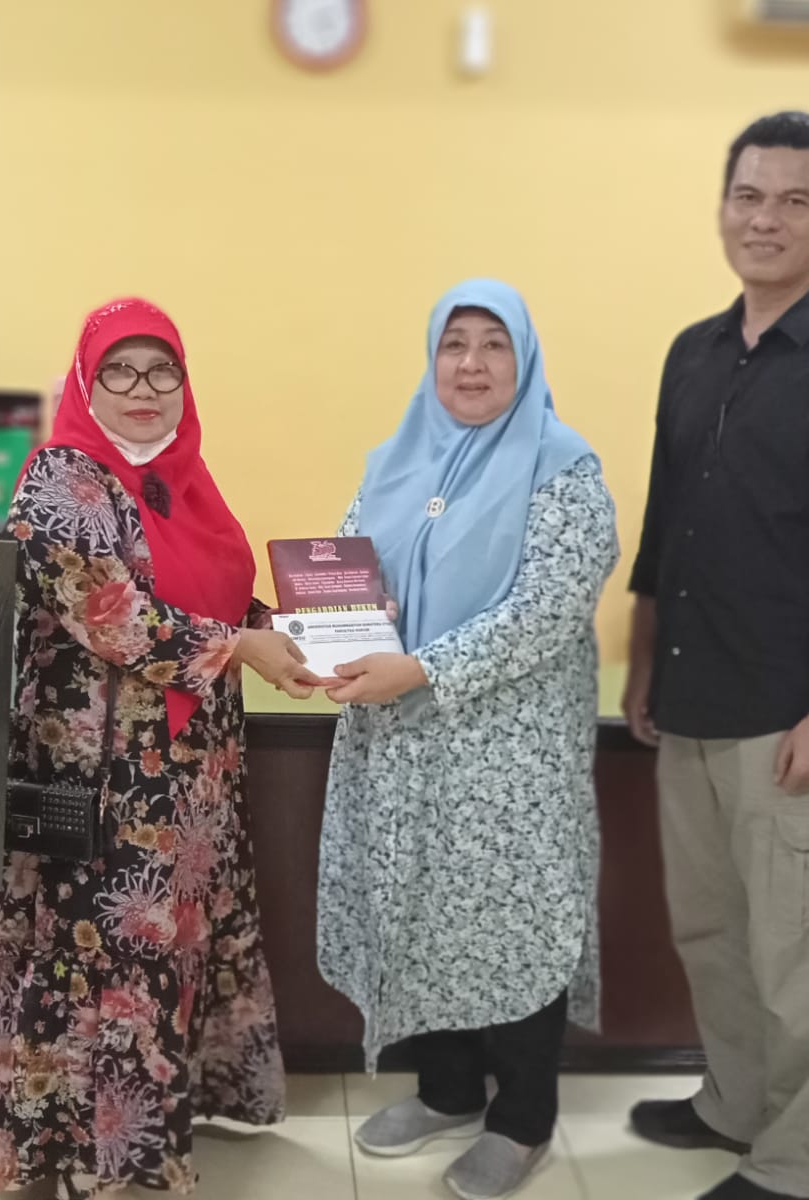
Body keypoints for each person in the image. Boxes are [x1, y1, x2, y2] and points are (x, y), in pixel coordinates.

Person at [0, 298, 318, 1198]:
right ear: (86, 381)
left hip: (190, 779)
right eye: (120, 368)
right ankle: (100, 1162)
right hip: (103, 780)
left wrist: (295, 627)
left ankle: (139, 1140)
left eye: (163, 370)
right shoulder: (60, 480)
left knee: (165, 957)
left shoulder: (185, 479)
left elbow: (215, 598)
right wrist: (242, 646)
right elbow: (114, 616)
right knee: (102, 963)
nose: (143, 388)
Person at [622, 112, 809, 1200]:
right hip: (690, 700)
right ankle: (734, 1103)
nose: (766, 219)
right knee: (711, 933)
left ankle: (797, 1167)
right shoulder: (694, 352)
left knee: (797, 958)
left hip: (790, 716)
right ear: (723, 207)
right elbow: (665, 529)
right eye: (749, 196)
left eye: (795, 201)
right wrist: (644, 666)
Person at [316, 279, 618, 1200]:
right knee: (414, 910)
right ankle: (447, 1089)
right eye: (455, 344)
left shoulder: (563, 469)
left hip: (508, 758)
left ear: (524, 358)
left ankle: (522, 1119)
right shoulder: (394, 460)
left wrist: (420, 666)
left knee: (512, 922)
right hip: (401, 747)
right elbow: (347, 565)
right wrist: (343, 626)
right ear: (432, 358)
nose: (473, 364)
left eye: (495, 344)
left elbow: (545, 611)